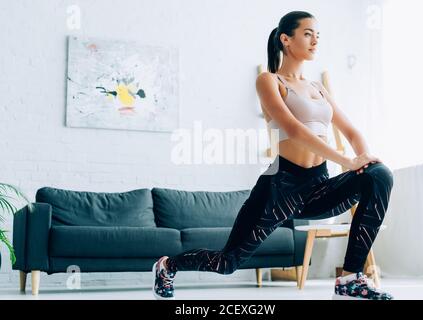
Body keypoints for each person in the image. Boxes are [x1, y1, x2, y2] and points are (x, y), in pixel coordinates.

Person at [152, 11, 394, 300]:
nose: (315, 39)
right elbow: (293, 129)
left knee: (378, 174)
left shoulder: (317, 87)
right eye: (308, 33)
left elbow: (351, 131)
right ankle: (167, 266)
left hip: (318, 186)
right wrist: (348, 162)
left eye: (318, 34)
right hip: (280, 189)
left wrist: (363, 156)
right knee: (227, 262)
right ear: (286, 39)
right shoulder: (269, 81)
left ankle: (350, 280)